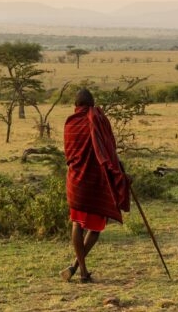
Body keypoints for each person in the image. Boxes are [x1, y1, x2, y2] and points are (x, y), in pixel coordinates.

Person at [60, 88, 130, 283]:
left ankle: (77, 268)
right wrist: (119, 172)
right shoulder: (96, 119)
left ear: (76, 106)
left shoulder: (70, 123)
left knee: (77, 223)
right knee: (96, 228)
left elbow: (69, 152)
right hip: (93, 182)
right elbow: (107, 150)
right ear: (91, 105)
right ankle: (81, 271)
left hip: (75, 180)